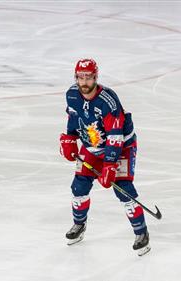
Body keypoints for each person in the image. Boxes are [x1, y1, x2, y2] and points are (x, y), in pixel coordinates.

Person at [59, 58, 150, 256]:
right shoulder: (72, 94)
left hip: (121, 147)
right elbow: (74, 118)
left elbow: (115, 136)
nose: (84, 82)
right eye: (80, 77)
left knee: (123, 189)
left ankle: (141, 233)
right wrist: (69, 138)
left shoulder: (108, 101)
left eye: (88, 77)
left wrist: (109, 165)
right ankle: (79, 225)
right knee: (79, 186)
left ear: (95, 77)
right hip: (92, 146)